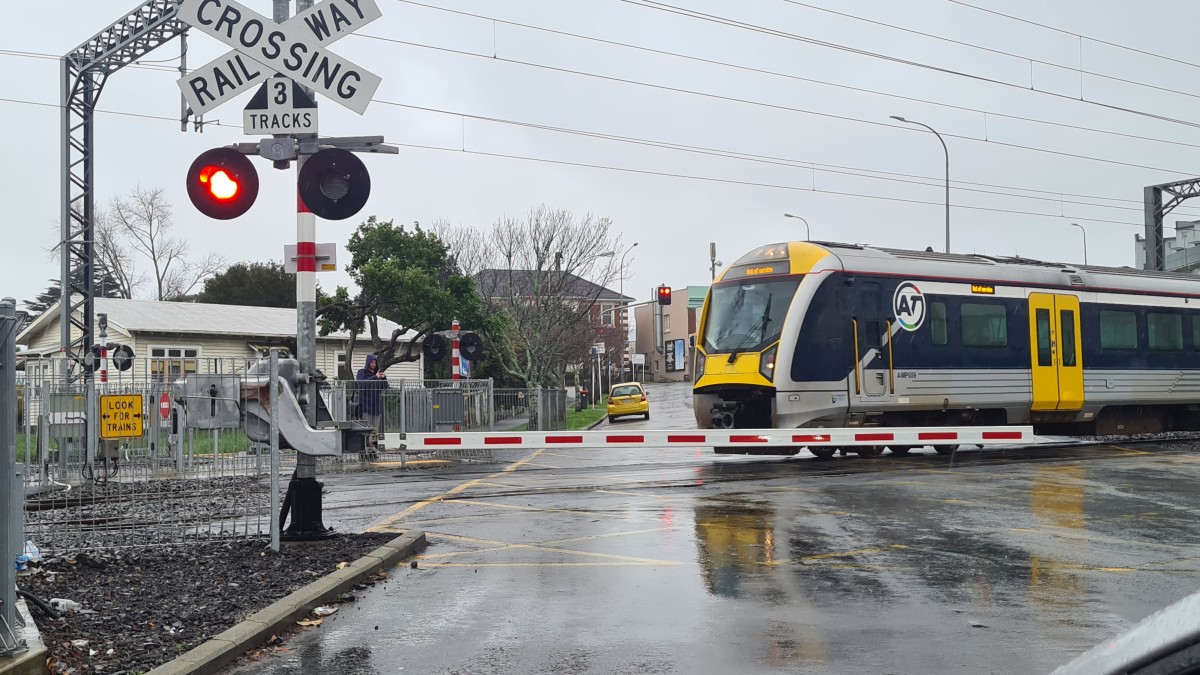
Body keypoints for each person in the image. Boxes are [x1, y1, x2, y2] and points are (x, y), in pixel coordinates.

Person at [355, 354, 388, 432]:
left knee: (375, 429)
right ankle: (366, 443)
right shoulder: (362, 372)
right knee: (365, 428)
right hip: (365, 405)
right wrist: (375, 377)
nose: (374, 364)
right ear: (368, 363)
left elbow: (385, 386)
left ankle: (374, 443)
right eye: (372, 362)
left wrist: (384, 378)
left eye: (375, 362)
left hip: (376, 406)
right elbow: (360, 384)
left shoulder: (377, 374)